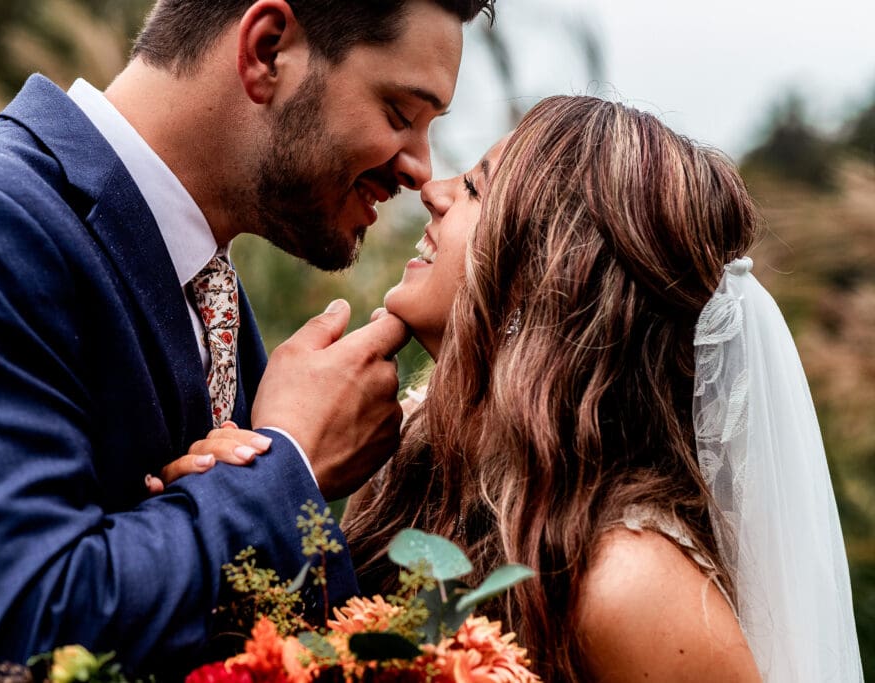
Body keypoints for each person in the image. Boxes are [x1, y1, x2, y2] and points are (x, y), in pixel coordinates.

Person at [0, 1, 495, 680]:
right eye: (400, 113)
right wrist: (291, 463)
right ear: (267, 50)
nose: (422, 169)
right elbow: (22, 634)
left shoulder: (211, 292)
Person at [341, 96, 863, 681]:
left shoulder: (632, 586)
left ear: (543, 279)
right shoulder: (403, 449)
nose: (433, 191)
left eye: (474, 191)